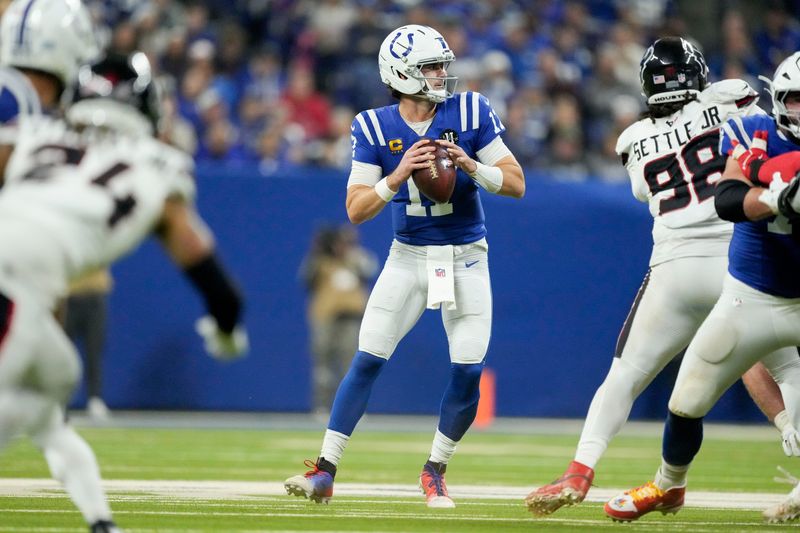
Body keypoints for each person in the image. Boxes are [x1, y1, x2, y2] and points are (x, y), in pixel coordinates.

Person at [527, 37, 800, 517]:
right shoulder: (730, 98)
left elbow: (641, 191)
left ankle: (580, 468)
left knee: (625, 375)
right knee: (782, 365)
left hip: (672, 268)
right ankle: (788, 442)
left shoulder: (631, 140)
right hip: (736, 257)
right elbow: (768, 130)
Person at [0, 51, 248, 533]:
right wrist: (227, 332)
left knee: (58, 377)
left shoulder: (31, 133)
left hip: (20, 282)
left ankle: (101, 523)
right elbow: (213, 278)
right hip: (16, 280)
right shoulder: (160, 165)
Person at [285, 24, 525, 508]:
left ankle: (435, 470)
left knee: (468, 369)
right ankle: (325, 471)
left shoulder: (472, 110)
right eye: (430, 67)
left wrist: (473, 167)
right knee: (368, 357)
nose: (441, 74)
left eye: (441, 64)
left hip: (466, 256)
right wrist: (396, 175)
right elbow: (355, 209)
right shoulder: (373, 125)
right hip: (408, 257)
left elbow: (517, 182)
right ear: (400, 74)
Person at [603, 50, 800, 524]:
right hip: (748, 295)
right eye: (796, 100)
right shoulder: (756, 133)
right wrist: (777, 196)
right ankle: (668, 485)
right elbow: (729, 198)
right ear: (779, 100)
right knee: (685, 401)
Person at [299, 225, 377, 415]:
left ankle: (352, 408)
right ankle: (322, 407)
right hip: (325, 317)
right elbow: (306, 279)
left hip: (350, 317)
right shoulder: (320, 261)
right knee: (323, 365)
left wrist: (352, 250)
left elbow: (371, 269)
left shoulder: (356, 259)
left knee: (350, 363)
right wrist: (318, 251)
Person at [65, 268, 113, 421]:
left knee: (94, 352)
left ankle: (95, 399)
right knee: (64, 356)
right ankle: (60, 402)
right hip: (68, 299)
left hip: (94, 298)